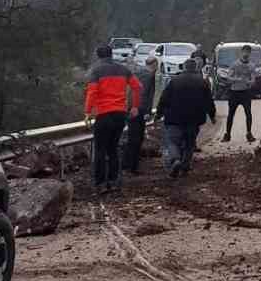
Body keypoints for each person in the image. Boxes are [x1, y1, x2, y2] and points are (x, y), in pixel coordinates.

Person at [84, 43, 142, 194]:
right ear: (111, 54)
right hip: (120, 114)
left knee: (100, 150)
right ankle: (114, 181)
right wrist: (135, 106)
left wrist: (88, 111)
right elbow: (137, 87)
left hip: (103, 114)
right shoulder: (123, 69)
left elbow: (92, 92)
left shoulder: (96, 71)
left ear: (98, 56)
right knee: (113, 149)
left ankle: (100, 183)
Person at [156, 55, 216, 177]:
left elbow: (164, 98)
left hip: (174, 118)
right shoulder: (202, 82)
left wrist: (159, 113)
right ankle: (185, 166)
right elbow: (208, 101)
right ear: (195, 68)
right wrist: (212, 115)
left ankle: (175, 159)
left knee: (172, 141)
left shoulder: (174, 81)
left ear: (184, 67)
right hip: (194, 119)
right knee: (189, 143)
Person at [121, 53, 159, 175]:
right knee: (136, 139)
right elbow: (146, 95)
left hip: (130, 108)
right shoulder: (149, 76)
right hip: (139, 110)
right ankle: (131, 167)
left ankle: (126, 165)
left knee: (132, 138)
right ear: (154, 65)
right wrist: (146, 111)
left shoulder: (137, 72)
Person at [221, 45, 258, 143]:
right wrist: (237, 79)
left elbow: (253, 79)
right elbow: (228, 78)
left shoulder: (252, 66)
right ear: (241, 52)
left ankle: (249, 133)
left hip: (245, 93)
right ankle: (227, 134)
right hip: (234, 93)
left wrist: (250, 82)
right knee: (231, 114)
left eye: (248, 52)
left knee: (248, 113)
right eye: (245, 51)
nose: (246, 54)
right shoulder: (235, 64)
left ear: (250, 54)